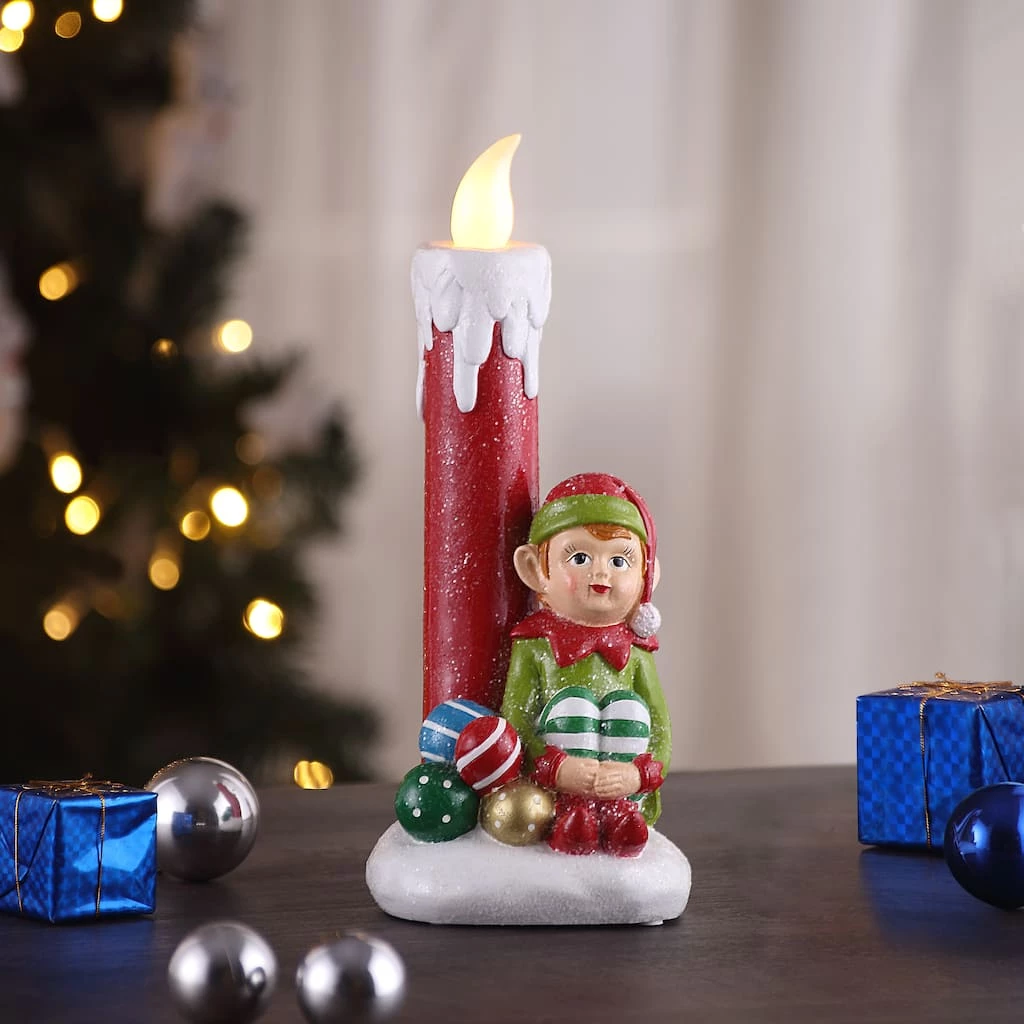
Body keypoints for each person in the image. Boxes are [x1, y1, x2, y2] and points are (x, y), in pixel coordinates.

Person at [500, 473, 669, 857]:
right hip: (557, 789)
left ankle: (620, 817)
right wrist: (558, 769)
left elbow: (660, 727)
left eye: (619, 560)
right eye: (579, 558)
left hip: (623, 787)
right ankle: (571, 816)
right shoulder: (534, 646)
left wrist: (636, 774)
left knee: (630, 710)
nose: (601, 572)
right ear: (535, 569)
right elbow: (517, 719)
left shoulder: (636, 651)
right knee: (571, 706)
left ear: (648, 574)